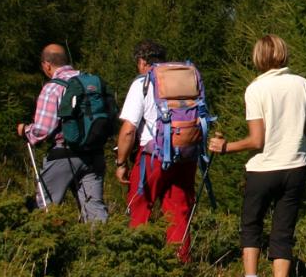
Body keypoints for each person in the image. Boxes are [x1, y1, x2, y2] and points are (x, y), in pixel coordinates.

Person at [208, 34, 306, 277]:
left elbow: (257, 141)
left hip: (264, 168)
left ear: (259, 57)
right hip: (296, 165)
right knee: (283, 231)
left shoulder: (256, 89)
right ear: (283, 53)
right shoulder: (303, 84)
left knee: (252, 225)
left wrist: (226, 147)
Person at [113, 40, 197, 260]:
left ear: (142, 62)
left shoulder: (143, 83)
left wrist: (121, 163)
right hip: (186, 154)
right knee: (178, 212)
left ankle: (137, 264)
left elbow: (129, 130)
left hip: (153, 156)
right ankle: (179, 268)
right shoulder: (184, 79)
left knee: (140, 208)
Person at [16, 43, 108, 222]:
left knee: (45, 207)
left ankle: (44, 246)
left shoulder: (53, 88)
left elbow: (44, 129)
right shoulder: (90, 82)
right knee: (95, 209)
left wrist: (26, 131)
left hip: (64, 154)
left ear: (46, 65)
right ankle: (101, 246)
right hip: (94, 154)